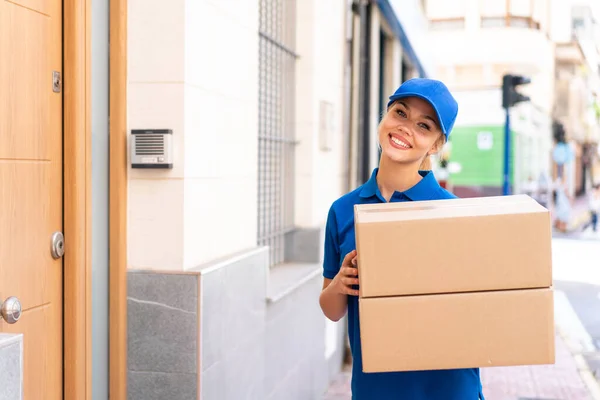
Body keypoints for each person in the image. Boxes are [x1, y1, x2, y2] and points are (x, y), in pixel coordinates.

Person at [319, 78, 484, 400]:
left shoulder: (455, 214)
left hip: (448, 389)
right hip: (376, 389)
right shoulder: (343, 211)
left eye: (423, 126)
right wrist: (341, 283)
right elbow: (331, 309)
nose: (406, 128)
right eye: (400, 113)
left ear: (436, 145)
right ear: (385, 118)